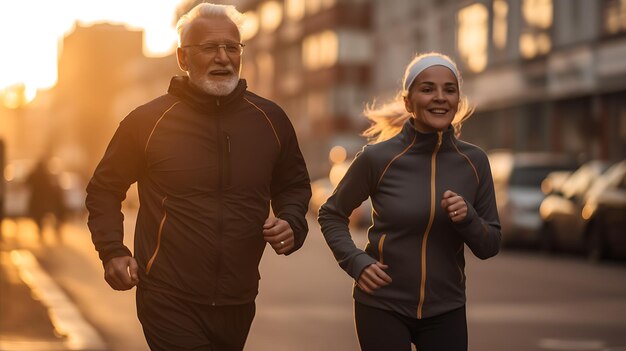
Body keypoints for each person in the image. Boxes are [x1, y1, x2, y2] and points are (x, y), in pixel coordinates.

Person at [85, 3, 311, 350]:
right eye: (209, 48)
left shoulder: (270, 119)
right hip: (167, 294)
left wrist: (292, 221)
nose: (223, 57)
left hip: (239, 298)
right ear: (182, 58)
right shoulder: (147, 122)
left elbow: (293, 183)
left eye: (232, 47)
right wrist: (112, 250)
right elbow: (104, 187)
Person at [318, 52, 501, 351]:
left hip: (447, 309)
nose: (440, 97)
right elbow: (331, 214)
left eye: (449, 89)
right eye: (427, 89)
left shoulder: (474, 161)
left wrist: (468, 218)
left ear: (458, 99)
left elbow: (490, 244)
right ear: (408, 102)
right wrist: (357, 262)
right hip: (381, 305)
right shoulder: (377, 158)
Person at [26, 157, 65, 239]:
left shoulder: (36, 173)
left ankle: (40, 228)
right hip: (42, 200)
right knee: (42, 215)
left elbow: (27, 182)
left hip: (36, 199)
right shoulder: (45, 174)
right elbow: (49, 187)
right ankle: (41, 228)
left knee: (38, 215)